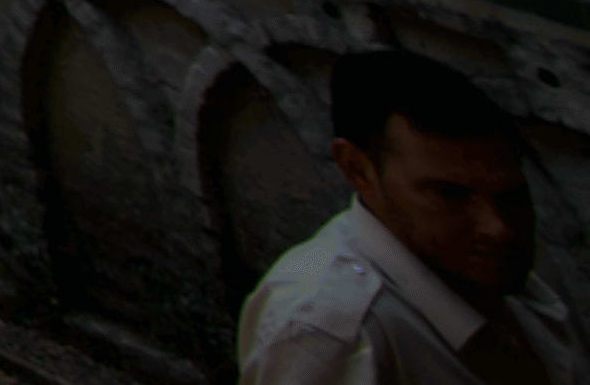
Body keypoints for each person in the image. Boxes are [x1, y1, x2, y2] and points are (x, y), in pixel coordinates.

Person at [241, 45, 571, 383]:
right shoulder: (329, 331)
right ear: (358, 170)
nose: (499, 228)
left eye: (511, 195)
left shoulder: (498, 269)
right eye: (449, 195)